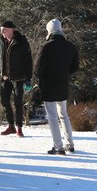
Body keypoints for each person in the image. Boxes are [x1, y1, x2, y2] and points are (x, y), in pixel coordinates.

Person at [34, 18, 81, 154]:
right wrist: (64, 73)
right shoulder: (70, 46)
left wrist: (42, 77)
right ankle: (70, 144)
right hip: (63, 84)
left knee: (53, 117)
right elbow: (75, 66)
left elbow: (37, 69)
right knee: (64, 115)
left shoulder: (46, 46)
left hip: (48, 86)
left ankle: (58, 146)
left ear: (49, 30)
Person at [0, 20, 32, 137]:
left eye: (5, 30)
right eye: (1, 30)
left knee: (18, 102)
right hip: (5, 77)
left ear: (12, 30)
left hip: (19, 77)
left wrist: (28, 78)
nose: (2, 32)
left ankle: (19, 128)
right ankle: (11, 126)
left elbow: (28, 61)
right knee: (4, 101)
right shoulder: (1, 42)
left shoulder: (22, 42)